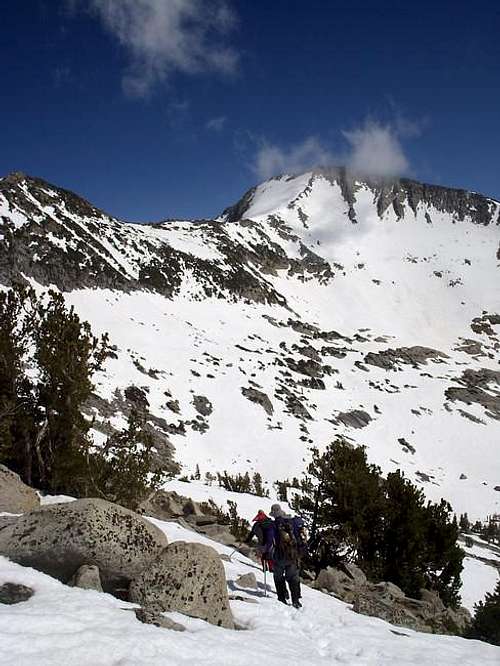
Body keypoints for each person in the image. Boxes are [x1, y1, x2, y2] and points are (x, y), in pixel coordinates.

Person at [269, 503, 303, 609]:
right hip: (292, 555)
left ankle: (282, 598)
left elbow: (270, 541)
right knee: (293, 577)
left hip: (279, 556)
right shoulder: (292, 522)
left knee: (278, 577)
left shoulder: (274, 525)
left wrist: (268, 554)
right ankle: (296, 600)